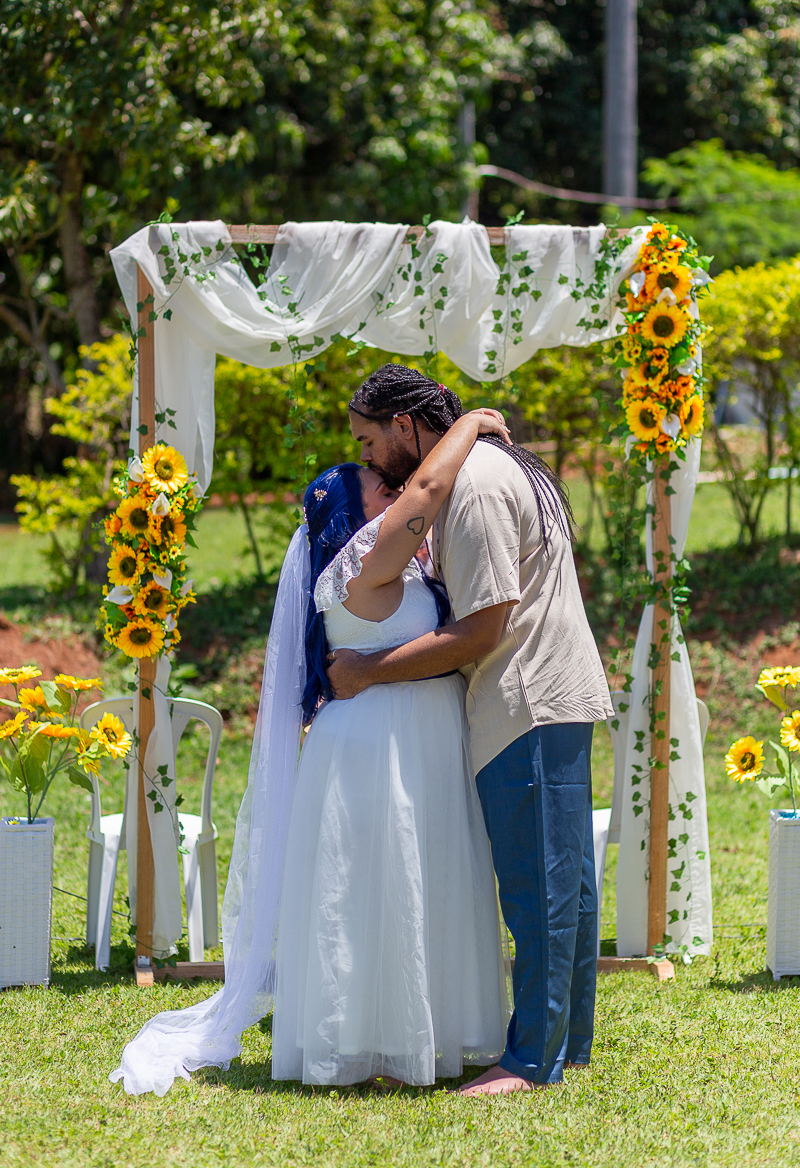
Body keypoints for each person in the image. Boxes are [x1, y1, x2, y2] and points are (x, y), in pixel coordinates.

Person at [109, 404, 511, 1096]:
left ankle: (434, 1029)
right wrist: (469, 423)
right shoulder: (357, 573)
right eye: (373, 483)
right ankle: (365, 1042)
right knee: (370, 892)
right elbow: (426, 493)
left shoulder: (410, 561)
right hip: (369, 748)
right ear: (348, 517)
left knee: (423, 884)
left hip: (425, 742)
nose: (388, 482)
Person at [327, 365, 614, 1097]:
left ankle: (529, 1062)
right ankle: (565, 1043)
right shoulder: (485, 466)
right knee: (567, 883)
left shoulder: (478, 484)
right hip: (548, 694)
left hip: (525, 697)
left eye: (368, 441)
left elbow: (485, 628)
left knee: (539, 887)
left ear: (404, 425)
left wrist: (368, 670)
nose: (366, 458)